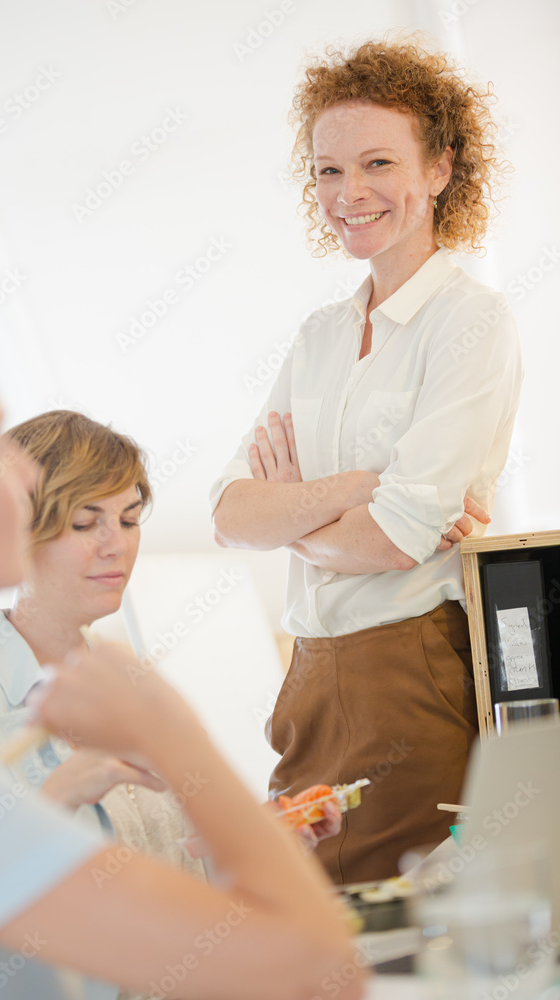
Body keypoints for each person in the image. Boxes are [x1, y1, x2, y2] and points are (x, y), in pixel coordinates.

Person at [0, 304, 363, 998]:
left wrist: (254, 838)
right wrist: (174, 736)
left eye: (127, 518)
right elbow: (318, 969)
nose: (23, 475)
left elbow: (171, 916)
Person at [211, 37, 523, 885]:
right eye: (326, 171)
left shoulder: (470, 324)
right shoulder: (316, 337)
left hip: (406, 671)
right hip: (306, 680)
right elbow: (228, 515)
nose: (347, 194)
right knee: (305, 914)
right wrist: (349, 490)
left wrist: (296, 514)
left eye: (377, 162)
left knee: (394, 935)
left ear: (439, 170)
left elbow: (393, 538)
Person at [0, 410, 206, 881]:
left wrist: (259, 840)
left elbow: (180, 867)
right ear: (16, 529)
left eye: (129, 519)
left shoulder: (135, 686)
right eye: (84, 523)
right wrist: (58, 795)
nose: (116, 544)